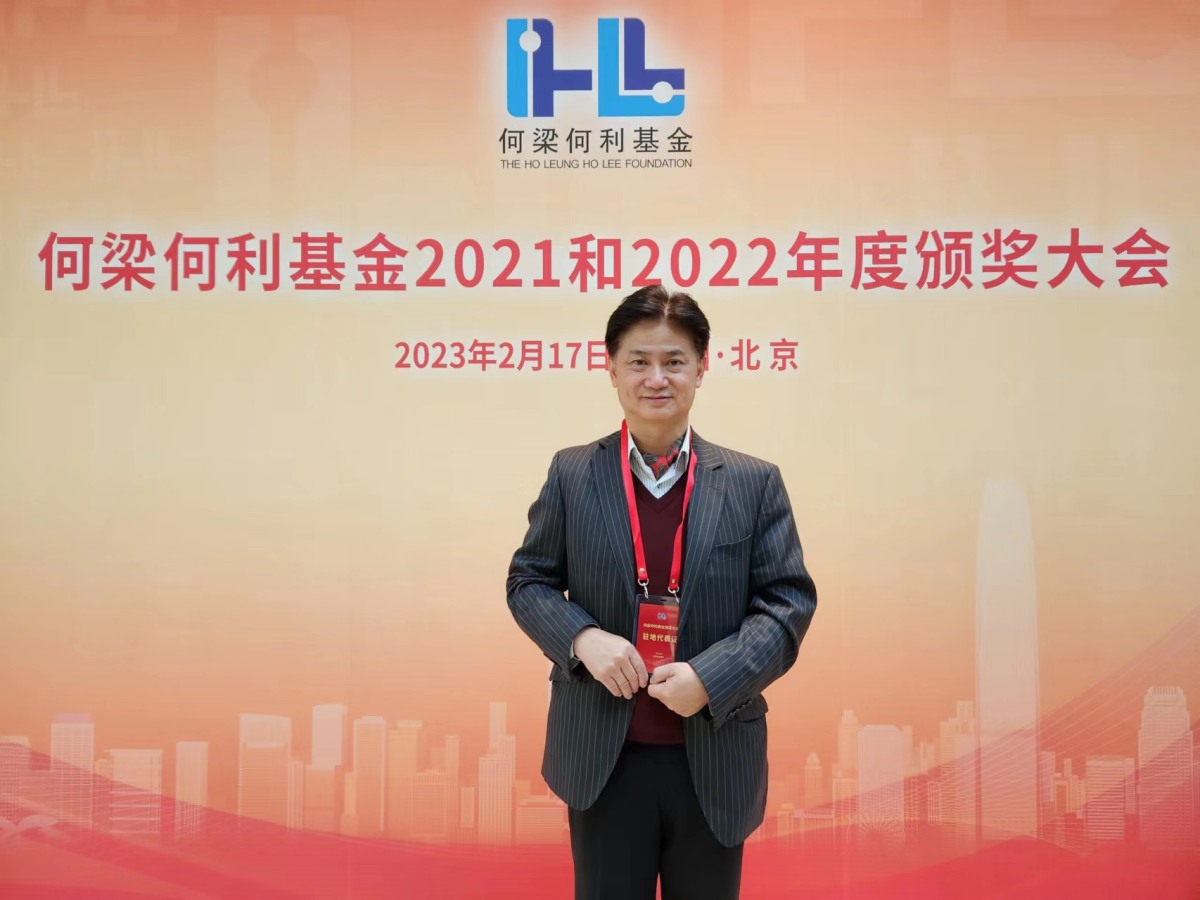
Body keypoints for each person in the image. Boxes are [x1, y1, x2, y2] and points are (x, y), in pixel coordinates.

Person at [507, 285, 816, 900]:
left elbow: (787, 606)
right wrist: (582, 639)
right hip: (602, 759)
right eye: (638, 361)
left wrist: (711, 677)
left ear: (702, 368)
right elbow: (528, 581)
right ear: (611, 369)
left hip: (714, 757)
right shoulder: (573, 473)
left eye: (674, 361)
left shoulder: (753, 482)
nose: (657, 378)